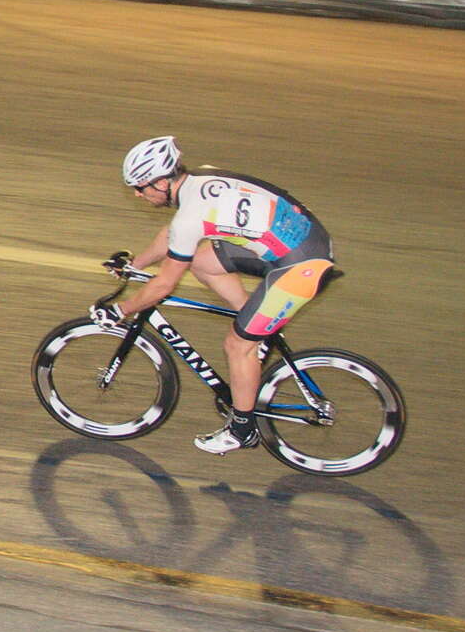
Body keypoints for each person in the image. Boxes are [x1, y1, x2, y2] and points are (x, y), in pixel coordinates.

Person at [93, 136, 339, 454]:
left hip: (303, 265)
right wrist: (134, 265)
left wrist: (120, 310)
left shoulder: (190, 217)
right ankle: (256, 326)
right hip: (302, 240)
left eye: (141, 187)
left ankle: (242, 430)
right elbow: (171, 236)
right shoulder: (199, 179)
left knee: (237, 345)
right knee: (202, 262)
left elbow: (164, 285)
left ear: (162, 182)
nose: (138, 194)